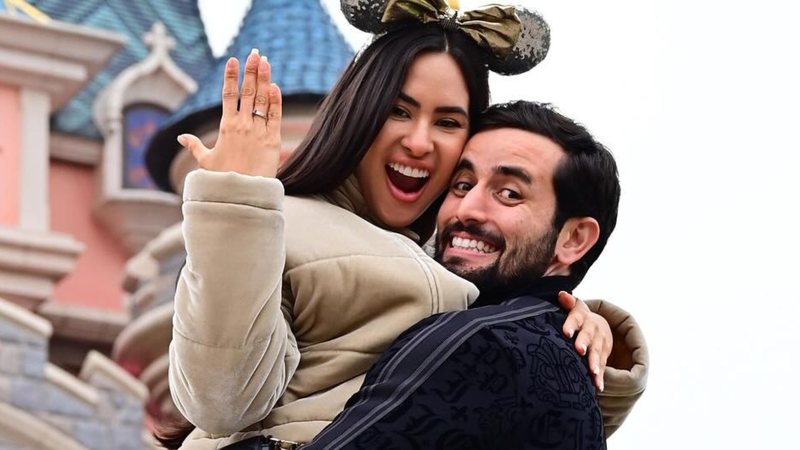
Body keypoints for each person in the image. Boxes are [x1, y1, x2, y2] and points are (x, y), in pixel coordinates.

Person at [160, 3, 645, 449]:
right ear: (358, 112)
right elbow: (222, 402)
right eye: (399, 111)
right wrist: (236, 200)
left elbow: (523, 413)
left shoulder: (454, 256)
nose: (419, 142)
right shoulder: (273, 224)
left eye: (448, 122)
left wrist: (566, 325)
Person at [295, 100, 646, 450]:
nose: (466, 209)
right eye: (462, 185)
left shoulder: (479, 344)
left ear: (574, 239)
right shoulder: (563, 367)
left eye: (509, 194)